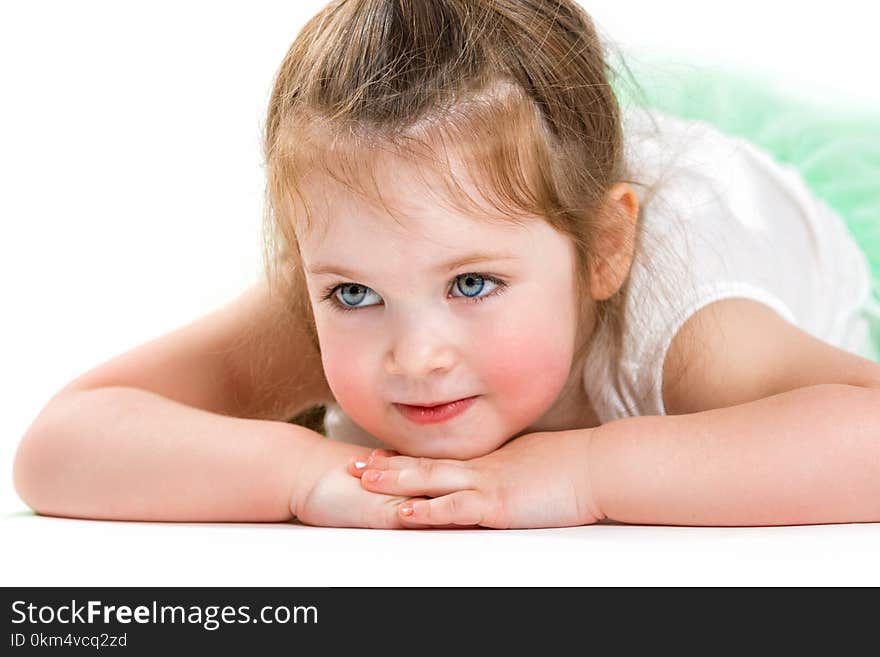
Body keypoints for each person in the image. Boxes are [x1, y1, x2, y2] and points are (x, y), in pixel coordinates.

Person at [13, 0, 880, 529]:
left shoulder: (689, 326)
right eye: (353, 292)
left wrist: (585, 473)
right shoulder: (379, 255)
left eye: (472, 284)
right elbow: (60, 444)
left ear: (604, 251)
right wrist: (303, 476)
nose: (414, 355)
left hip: (784, 196)